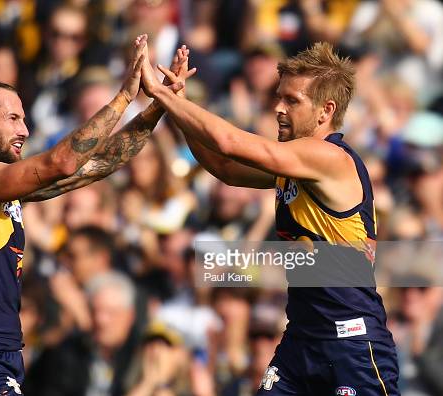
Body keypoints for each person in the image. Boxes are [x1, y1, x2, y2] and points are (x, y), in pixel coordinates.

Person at [0, 35, 190, 395]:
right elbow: (61, 161)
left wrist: (157, 105)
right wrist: (125, 96)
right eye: (13, 119)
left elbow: (97, 165)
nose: (25, 130)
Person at [139, 37, 399, 395]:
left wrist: (163, 96)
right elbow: (223, 166)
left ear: (326, 111)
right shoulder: (294, 165)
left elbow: (230, 142)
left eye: (292, 100)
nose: (278, 108)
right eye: (278, 97)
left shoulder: (330, 158)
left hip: (352, 343)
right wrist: (178, 104)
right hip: (300, 341)